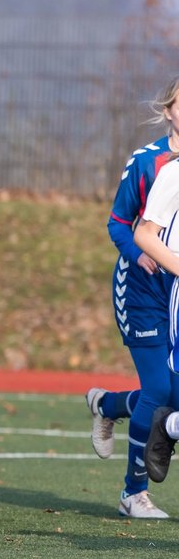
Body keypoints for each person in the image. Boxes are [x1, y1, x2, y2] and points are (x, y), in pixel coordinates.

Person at [87, 76, 179, 519]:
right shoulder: (147, 163)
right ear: (168, 110)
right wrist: (138, 255)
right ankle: (133, 494)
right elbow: (119, 223)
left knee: (172, 393)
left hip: (176, 289)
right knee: (160, 389)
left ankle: (107, 404)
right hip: (141, 287)